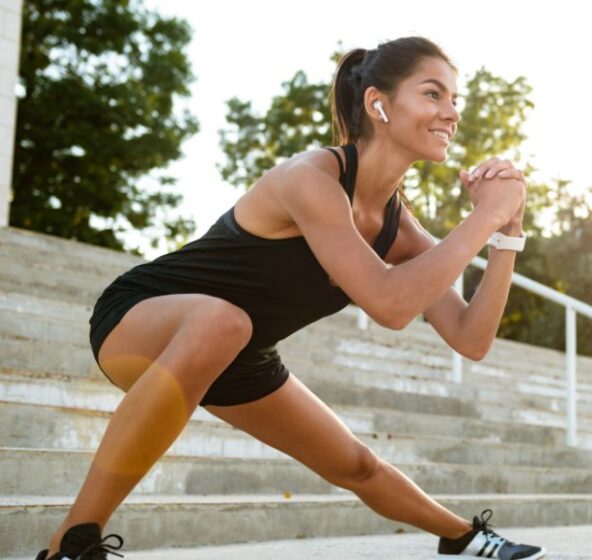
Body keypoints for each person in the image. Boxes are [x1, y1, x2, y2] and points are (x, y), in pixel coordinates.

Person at [37, 36, 545, 560]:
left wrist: (506, 233)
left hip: (236, 350)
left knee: (357, 464)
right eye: (434, 94)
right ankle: (72, 543)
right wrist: (481, 216)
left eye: (455, 99)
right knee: (223, 321)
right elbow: (390, 306)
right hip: (142, 317)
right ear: (379, 104)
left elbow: (471, 338)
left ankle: (465, 537)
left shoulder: (399, 229)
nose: (451, 113)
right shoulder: (311, 179)